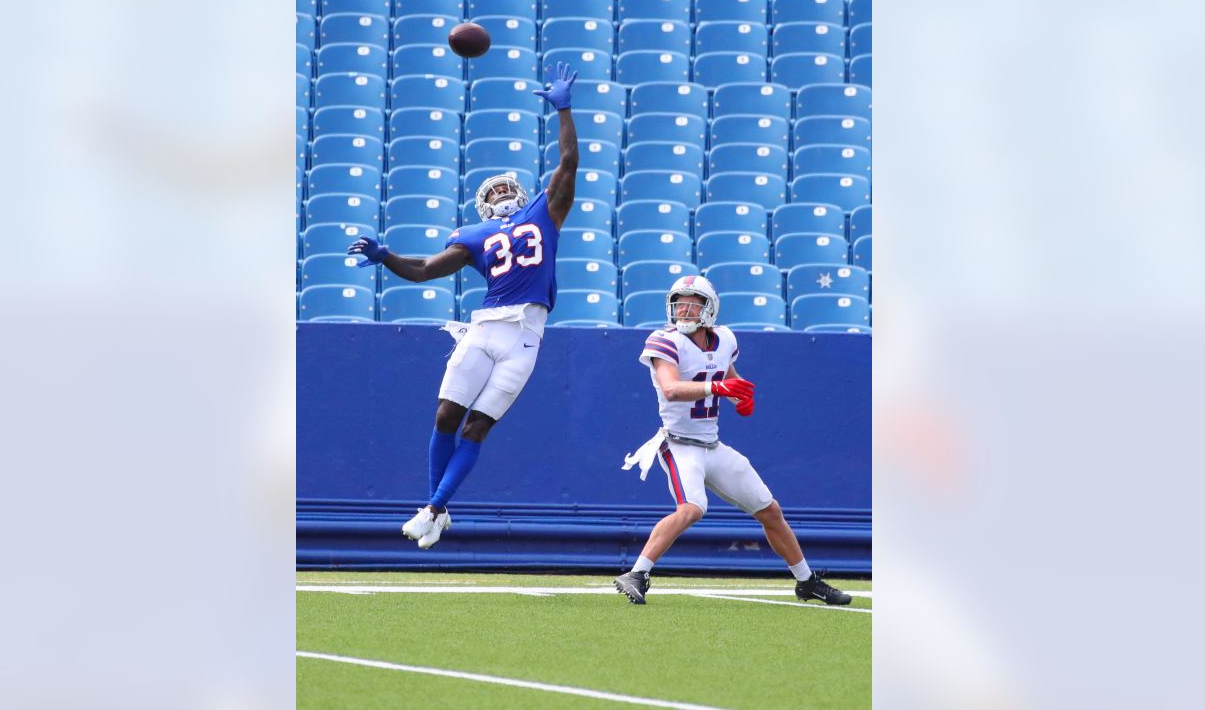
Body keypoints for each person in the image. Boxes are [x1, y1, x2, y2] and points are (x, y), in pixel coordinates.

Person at [346, 62, 580, 550]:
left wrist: (564, 111)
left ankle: (433, 510)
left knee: (478, 426)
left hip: (526, 336)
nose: (501, 195)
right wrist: (386, 256)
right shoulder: (474, 236)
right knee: (446, 417)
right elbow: (427, 268)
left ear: (519, 192)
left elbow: (568, 165)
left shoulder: (545, 210)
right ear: (481, 205)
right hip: (486, 327)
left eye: (505, 189)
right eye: (491, 192)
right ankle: (436, 507)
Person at [614, 276, 853, 605]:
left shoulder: (723, 339)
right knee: (692, 508)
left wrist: (740, 395)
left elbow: (726, 375)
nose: (683, 309)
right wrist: (718, 389)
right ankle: (637, 573)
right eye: (678, 302)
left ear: (709, 308)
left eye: (691, 303)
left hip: (712, 445)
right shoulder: (664, 341)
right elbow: (671, 388)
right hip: (679, 444)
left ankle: (806, 581)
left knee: (770, 510)